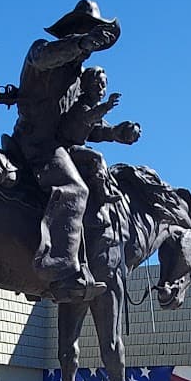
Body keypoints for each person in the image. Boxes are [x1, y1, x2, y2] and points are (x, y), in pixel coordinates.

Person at [10, 0, 121, 303]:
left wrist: (114, 133)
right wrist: (81, 44)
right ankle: (59, 270)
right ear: (74, 29)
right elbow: (45, 58)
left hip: (59, 144)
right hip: (36, 142)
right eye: (88, 30)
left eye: (95, 32)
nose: (93, 39)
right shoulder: (43, 49)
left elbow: (76, 123)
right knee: (75, 190)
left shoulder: (77, 77)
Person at [59, 66, 141, 269]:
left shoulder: (92, 110)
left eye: (103, 85)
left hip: (76, 151)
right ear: (86, 86)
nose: (101, 89)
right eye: (97, 84)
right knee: (96, 157)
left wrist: (121, 133)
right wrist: (107, 106)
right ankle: (102, 192)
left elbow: (101, 131)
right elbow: (88, 119)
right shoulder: (80, 107)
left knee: (96, 159)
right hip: (65, 150)